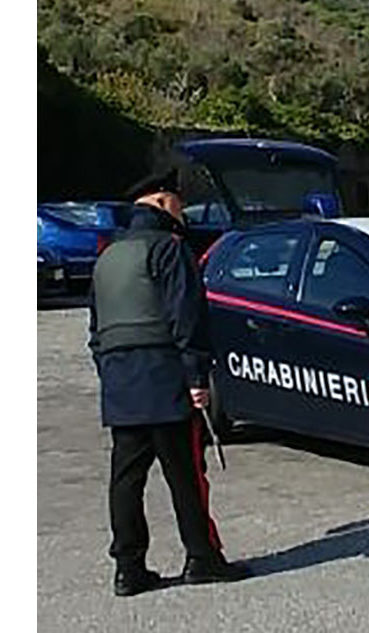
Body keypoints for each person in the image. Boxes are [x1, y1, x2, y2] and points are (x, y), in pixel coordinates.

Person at [89, 169, 249, 596]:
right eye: (177, 199)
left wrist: (110, 373)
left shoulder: (108, 255)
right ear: (161, 201)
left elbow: (95, 329)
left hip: (121, 383)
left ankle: (128, 568)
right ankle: (202, 557)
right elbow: (186, 318)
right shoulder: (169, 249)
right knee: (186, 475)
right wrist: (197, 376)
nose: (182, 208)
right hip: (166, 378)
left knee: (126, 480)